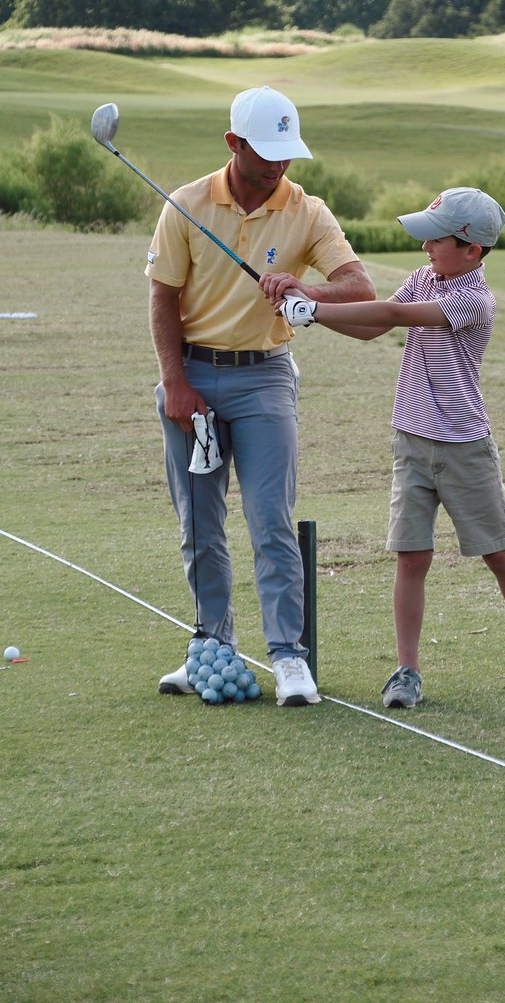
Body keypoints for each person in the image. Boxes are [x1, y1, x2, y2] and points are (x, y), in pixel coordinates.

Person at [267, 187, 505, 708]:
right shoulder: (427, 278)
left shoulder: (472, 299)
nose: (424, 250)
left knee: (500, 554)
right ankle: (407, 670)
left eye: (433, 240)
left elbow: (394, 316)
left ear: (472, 250)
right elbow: (376, 327)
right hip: (411, 444)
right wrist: (310, 311)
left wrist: (314, 308)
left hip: (464, 446)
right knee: (412, 557)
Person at [147, 85, 375, 706]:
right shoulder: (188, 204)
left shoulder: (307, 210)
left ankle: (288, 657)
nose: (279, 166)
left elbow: (357, 285)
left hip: (265, 376)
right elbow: (163, 297)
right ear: (233, 144)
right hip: (193, 375)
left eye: (286, 153)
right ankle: (210, 646)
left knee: (270, 517)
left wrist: (306, 288)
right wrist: (174, 382)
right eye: (267, 152)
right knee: (200, 524)